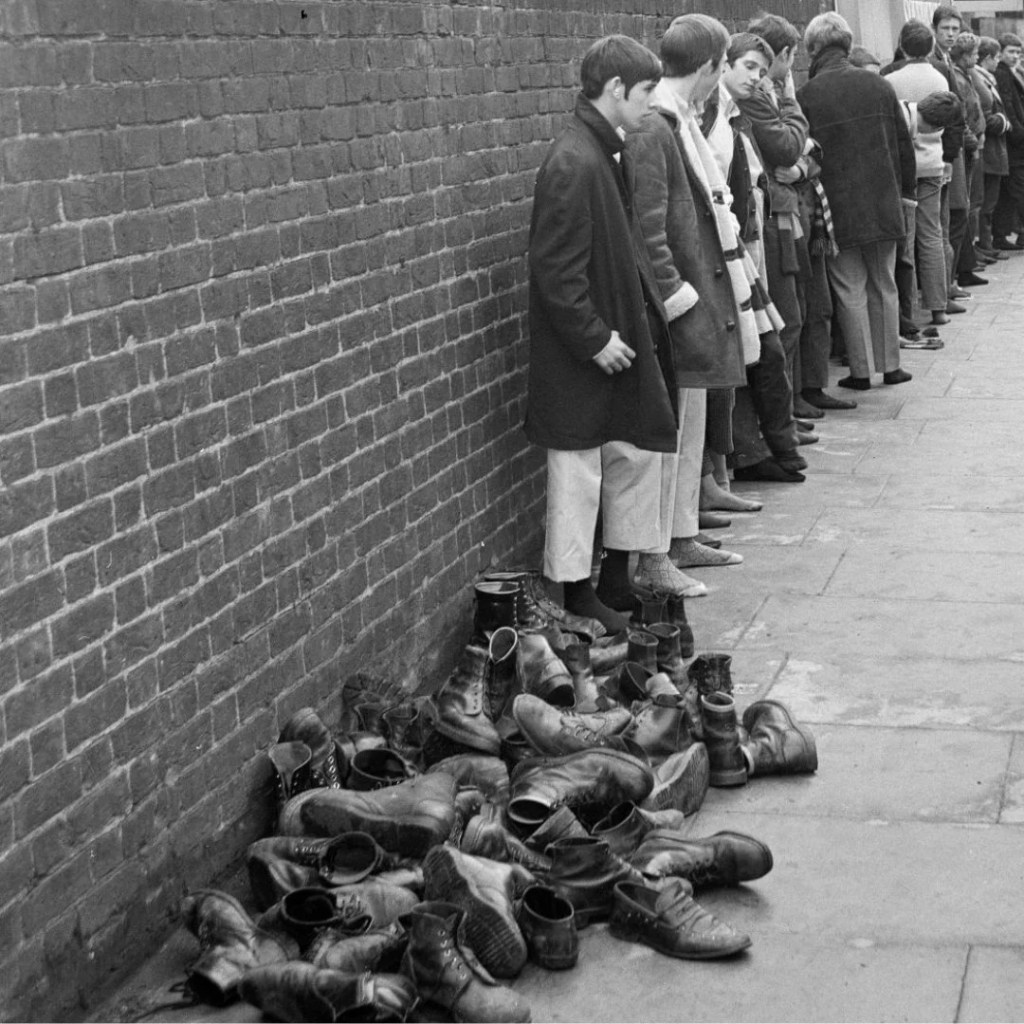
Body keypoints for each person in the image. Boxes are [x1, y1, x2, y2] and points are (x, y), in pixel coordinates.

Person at [524, 35, 677, 630]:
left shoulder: (599, 150)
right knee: (577, 470)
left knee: (630, 453)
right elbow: (555, 270)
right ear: (615, 89)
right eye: (644, 93)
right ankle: (572, 595)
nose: (651, 105)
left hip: (616, 338)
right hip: (588, 350)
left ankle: (614, 578)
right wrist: (593, 338)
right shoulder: (574, 160)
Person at [623, 13, 752, 597]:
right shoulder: (658, 127)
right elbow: (647, 227)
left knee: (691, 419)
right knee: (671, 429)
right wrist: (677, 297)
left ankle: (680, 537)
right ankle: (656, 558)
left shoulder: (679, 120)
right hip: (679, 307)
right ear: (706, 67)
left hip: (696, 299)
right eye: (721, 66)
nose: (721, 77)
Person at [797, 11, 916, 391]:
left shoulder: (808, 95)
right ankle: (891, 364)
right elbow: (903, 145)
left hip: (838, 207)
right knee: (884, 283)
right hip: (883, 201)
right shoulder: (878, 85)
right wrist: (906, 195)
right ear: (847, 44)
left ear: (813, 48)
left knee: (850, 287)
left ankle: (861, 371)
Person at [884, 18, 962, 337]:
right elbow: (956, 117)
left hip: (900, 167)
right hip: (932, 162)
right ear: (931, 47)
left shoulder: (888, 76)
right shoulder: (942, 74)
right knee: (932, 234)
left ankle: (909, 310)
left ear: (902, 45)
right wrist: (949, 158)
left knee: (906, 239)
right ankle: (938, 306)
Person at [973, 36, 1010, 257]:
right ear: (987, 58)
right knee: (986, 202)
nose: (997, 62)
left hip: (992, 151)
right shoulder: (981, 80)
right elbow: (988, 118)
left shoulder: (987, 79)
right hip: (989, 151)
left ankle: (986, 244)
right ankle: (984, 245)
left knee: (988, 201)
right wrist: (1005, 122)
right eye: (996, 58)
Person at [992, 33, 1024, 250]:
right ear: (1001, 52)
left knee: (1011, 191)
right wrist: (1019, 134)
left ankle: (1003, 235)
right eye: (1011, 52)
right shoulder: (1003, 74)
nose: (1015, 56)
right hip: (1015, 144)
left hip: (1015, 142)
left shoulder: (1013, 72)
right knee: (1016, 190)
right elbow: (1009, 107)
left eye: (1018, 52)